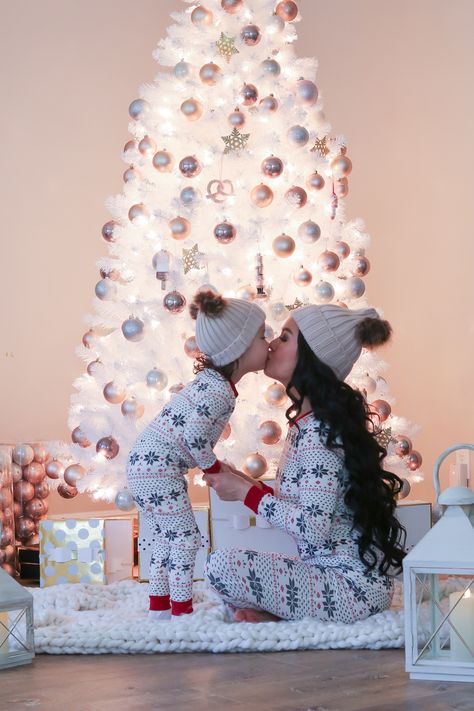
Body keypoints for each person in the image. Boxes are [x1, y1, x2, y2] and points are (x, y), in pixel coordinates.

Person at [203, 304, 406, 623]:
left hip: (349, 591)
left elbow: (311, 527)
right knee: (225, 569)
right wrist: (247, 483)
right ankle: (279, 614)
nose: (271, 343)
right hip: (332, 578)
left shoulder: (318, 434)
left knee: (221, 567)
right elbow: (310, 503)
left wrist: (247, 494)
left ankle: (280, 615)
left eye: (285, 337)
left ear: (312, 357)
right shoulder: (310, 425)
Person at [127, 291, 267, 619]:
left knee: (164, 536)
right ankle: (181, 611)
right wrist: (213, 467)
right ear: (240, 348)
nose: (269, 343)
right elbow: (192, 436)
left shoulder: (210, 383)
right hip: (157, 467)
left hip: (143, 464)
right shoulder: (218, 392)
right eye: (263, 337)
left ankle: (160, 607)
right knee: (187, 538)